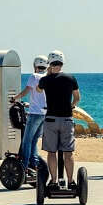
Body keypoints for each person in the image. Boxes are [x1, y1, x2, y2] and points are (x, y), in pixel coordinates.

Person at [37, 50, 80, 188]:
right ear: (62, 63)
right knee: (68, 153)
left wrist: (48, 73)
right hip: (67, 119)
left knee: (51, 152)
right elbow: (77, 98)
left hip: (51, 120)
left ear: (50, 63)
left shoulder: (45, 80)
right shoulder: (70, 78)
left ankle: (54, 181)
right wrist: (71, 106)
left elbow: (38, 90)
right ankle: (71, 181)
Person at [11, 55, 48, 174]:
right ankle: (35, 165)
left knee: (26, 140)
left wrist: (14, 98)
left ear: (35, 66)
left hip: (35, 113)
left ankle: (25, 166)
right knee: (34, 140)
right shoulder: (48, 78)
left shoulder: (34, 76)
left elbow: (26, 91)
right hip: (45, 114)